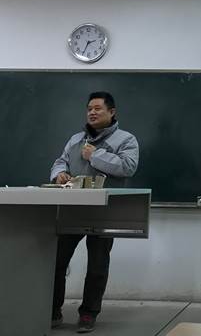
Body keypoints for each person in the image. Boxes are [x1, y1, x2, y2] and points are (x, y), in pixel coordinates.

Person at [50, 92, 139, 333]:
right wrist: (59, 174)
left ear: (112, 112)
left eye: (98, 108)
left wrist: (95, 155)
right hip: (71, 210)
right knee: (57, 261)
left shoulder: (126, 139)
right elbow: (61, 161)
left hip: (103, 211)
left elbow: (127, 167)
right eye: (89, 108)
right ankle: (53, 310)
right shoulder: (76, 139)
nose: (92, 112)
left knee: (97, 266)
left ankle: (89, 313)